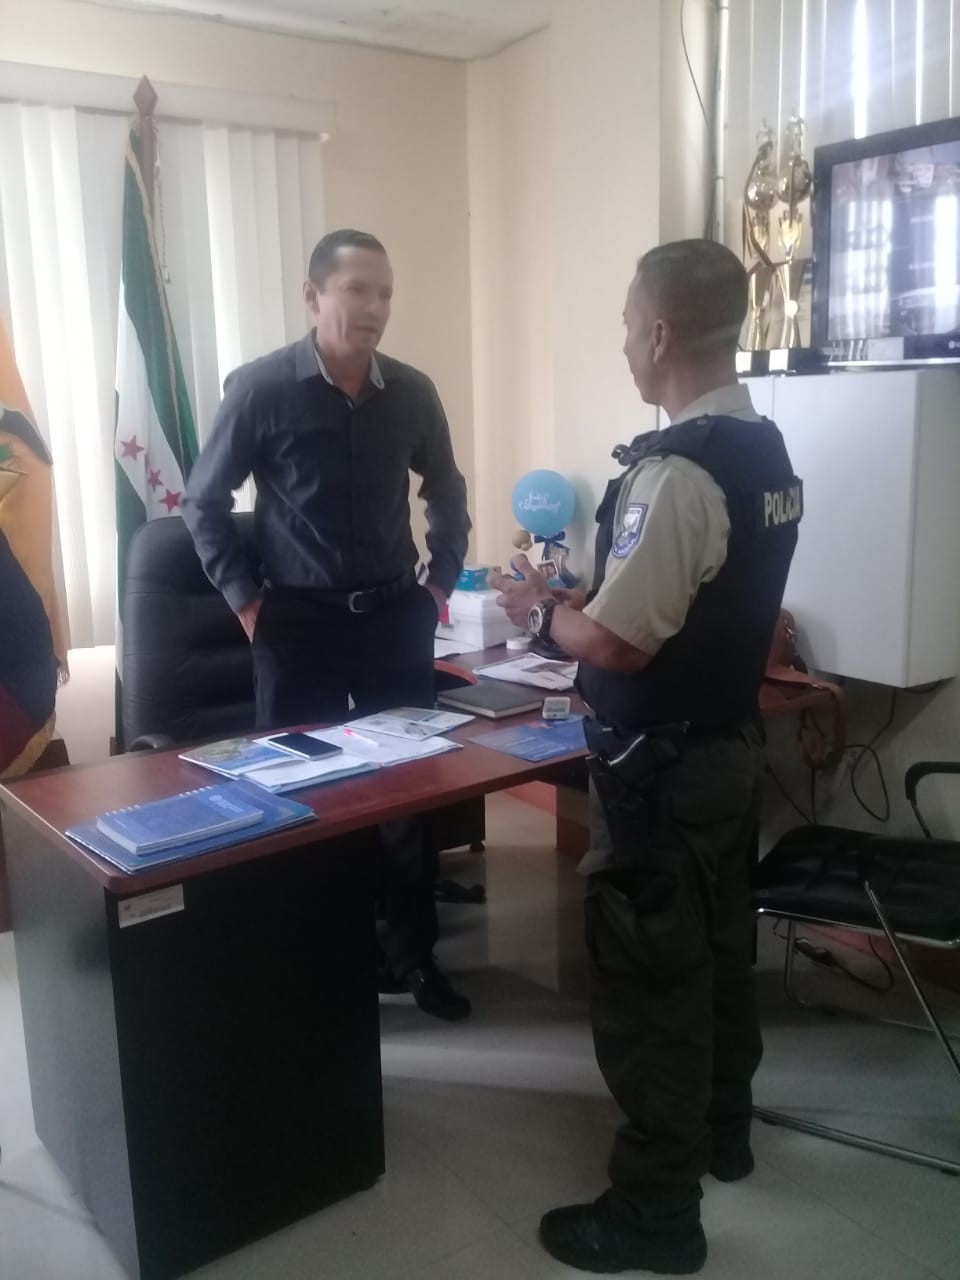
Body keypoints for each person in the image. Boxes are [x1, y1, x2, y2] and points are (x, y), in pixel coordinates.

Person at [489, 239, 802, 1274]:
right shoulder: (763, 451)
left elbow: (620, 645)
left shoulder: (675, 474)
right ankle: (722, 1132)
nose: (624, 343)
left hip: (660, 775)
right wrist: (587, 604)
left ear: (661, 333)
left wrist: (544, 617)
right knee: (718, 957)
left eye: (629, 325)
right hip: (725, 751)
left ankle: (655, 1213)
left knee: (651, 987)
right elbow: (697, 602)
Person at [182, 228, 472, 1021]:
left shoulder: (411, 392)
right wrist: (246, 601)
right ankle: (316, 958)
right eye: (357, 290)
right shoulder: (261, 389)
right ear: (313, 297)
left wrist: (439, 584)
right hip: (297, 623)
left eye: (385, 293)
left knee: (406, 793)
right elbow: (203, 502)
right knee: (302, 793)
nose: (374, 307)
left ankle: (413, 956)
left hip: (391, 618)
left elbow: (446, 489)